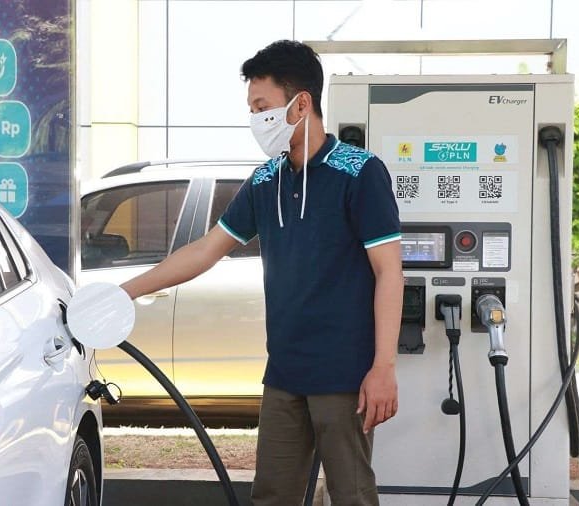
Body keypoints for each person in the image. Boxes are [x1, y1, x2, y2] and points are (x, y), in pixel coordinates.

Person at [120, 40, 403, 506]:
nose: (256, 119)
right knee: (272, 495)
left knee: (351, 495)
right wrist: (123, 291)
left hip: (346, 376)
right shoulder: (265, 180)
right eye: (252, 109)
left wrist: (383, 368)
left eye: (262, 107)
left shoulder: (360, 172)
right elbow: (206, 249)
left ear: (301, 104)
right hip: (284, 374)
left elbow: (390, 272)